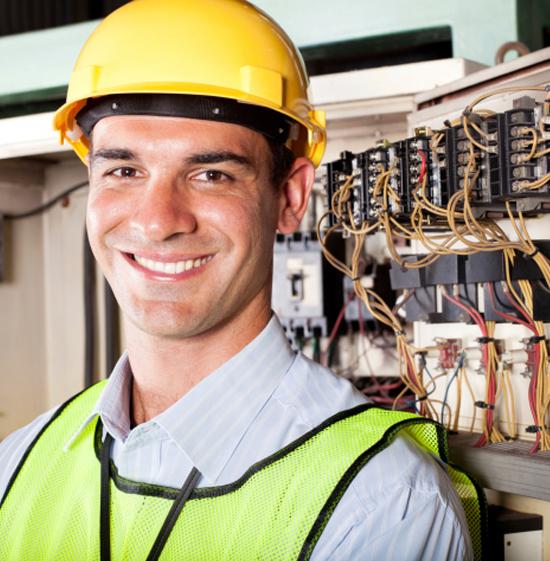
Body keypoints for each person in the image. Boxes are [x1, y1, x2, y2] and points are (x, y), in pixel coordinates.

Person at [0, 0, 483, 559]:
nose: (158, 221)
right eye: (124, 171)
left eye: (210, 174)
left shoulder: (380, 504)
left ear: (291, 198)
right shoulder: (18, 464)